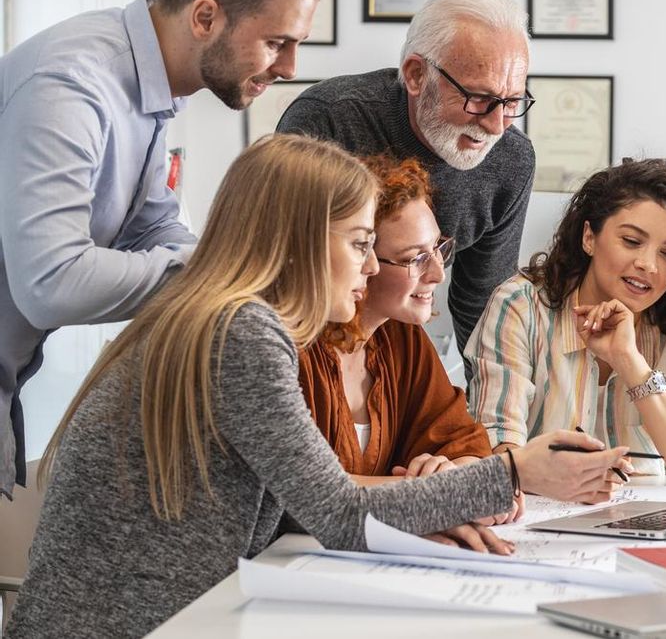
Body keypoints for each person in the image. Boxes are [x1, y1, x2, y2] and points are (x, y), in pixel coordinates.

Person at [5, 135, 628, 638]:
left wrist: (430, 505)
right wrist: (514, 471)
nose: (368, 267)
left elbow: (306, 510)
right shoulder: (242, 332)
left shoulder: (215, 316)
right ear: (298, 241)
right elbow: (340, 512)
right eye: (360, 244)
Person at [0, 0, 329, 498]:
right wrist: (228, 270)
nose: (290, 67)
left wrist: (230, 275)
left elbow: (154, 225)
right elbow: (51, 283)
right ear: (205, 17)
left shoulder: (146, 86)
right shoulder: (71, 85)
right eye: (276, 42)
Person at [277, 0, 536, 371]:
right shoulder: (329, 120)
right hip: (303, 339)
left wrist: (497, 419)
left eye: (512, 101)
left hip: (402, 348)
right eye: (479, 99)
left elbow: (482, 305)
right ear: (416, 75)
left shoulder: (511, 161)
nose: (497, 126)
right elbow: (283, 270)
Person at [466, 159, 666, 486]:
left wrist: (631, 363)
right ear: (589, 237)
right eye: (631, 241)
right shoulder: (521, 306)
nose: (648, 265)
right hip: (538, 516)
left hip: (644, 521)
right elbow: (495, 454)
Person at [297, 154, 525, 515]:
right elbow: (306, 492)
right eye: (415, 258)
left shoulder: (400, 336)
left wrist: (456, 474)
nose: (438, 273)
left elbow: (462, 442)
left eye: (438, 248)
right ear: (356, 256)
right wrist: (444, 493)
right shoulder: (291, 348)